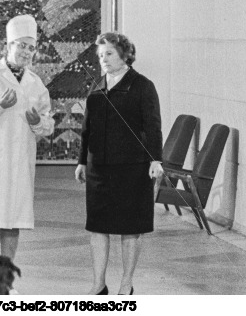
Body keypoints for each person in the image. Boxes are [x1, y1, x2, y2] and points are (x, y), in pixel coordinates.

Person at [75, 32, 163, 295]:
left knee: (130, 228)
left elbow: (153, 126)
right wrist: (82, 162)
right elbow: (87, 128)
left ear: (125, 55)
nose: (103, 59)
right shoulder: (97, 86)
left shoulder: (143, 86)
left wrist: (156, 159)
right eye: (100, 55)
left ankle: (126, 284)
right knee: (97, 227)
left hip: (132, 168)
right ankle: (98, 285)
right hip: (98, 169)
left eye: (109, 53)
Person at [0, 14, 54, 267]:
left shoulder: (35, 83)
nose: (27, 52)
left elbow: (48, 124)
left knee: (13, 220)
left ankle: (4, 276)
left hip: (19, 160)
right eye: (22, 45)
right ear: (9, 45)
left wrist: (37, 122)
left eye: (31, 48)